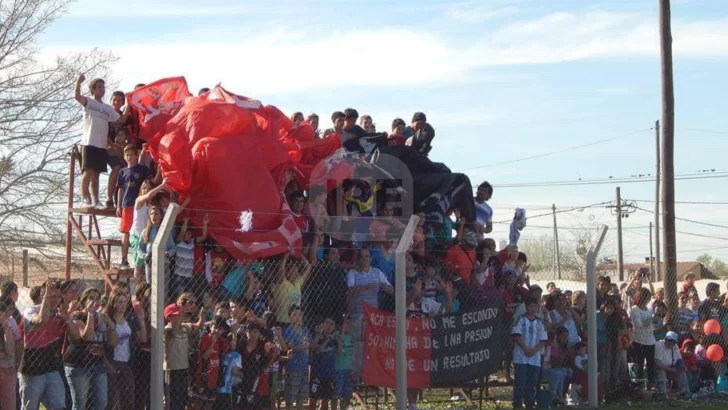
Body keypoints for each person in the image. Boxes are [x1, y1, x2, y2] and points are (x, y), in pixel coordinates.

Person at [19, 281, 81, 410]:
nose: (54, 300)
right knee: (29, 407)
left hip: (52, 367)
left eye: (57, 297)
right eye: (50, 296)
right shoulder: (30, 311)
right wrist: (47, 298)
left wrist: (66, 318)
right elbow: (41, 320)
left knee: (58, 406)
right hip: (32, 369)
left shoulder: (60, 313)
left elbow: (76, 336)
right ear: (43, 296)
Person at [74, 74, 130, 208]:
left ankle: (95, 200)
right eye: (99, 87)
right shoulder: (89, 102)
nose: (102, 89)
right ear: (93, 89)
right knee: (87, 171)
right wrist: (78, 82)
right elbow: (77, 97)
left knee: (96, 174)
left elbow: (121, 119)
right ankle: (85, 198)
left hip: (101, 145)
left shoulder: (107, 108)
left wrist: (129, 103)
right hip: (89, 142)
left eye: (103, 87)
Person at [64, 287, 117, 410]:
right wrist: (90, 314)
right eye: (91, 298)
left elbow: (113, 343)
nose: (95, 301)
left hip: (97, 365)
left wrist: (111, 326)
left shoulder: (103, 317)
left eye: (98, 299)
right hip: (78, 365)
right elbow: (87, 336)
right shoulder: (76, 316)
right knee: (80, 405)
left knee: (101, 403)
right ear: (84, 300)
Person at [116, 144, 152, 269]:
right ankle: (124, 259)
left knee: (141, 231)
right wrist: (118, 205)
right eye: (127, 155)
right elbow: (120, 189)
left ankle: (141, 257)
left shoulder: (142, 169)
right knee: (125, 232)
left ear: (136, 156)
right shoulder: (122, 172)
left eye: (131, 155)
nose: (129, 157)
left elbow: (150, 182)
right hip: (127, 205)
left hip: (141, 205)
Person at [512, 297, 549, 409]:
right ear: (526, 307)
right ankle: (517, 404)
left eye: (535, 306)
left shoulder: (540, 322)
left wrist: (534, 350)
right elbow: (516, 335)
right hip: (521, 356)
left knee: (532, 383)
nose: (533, 309)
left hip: (535, 357)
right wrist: (525, 349)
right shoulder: (520, 319)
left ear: (538, 308)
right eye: (530, 306)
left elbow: (543, 340)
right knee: (520, 382)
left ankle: (529, 404)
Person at [191, 316, 230, 410]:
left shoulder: (222, 341)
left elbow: (229, 348)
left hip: (214, 378)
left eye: (220, 329)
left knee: (209, 403)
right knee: (198, 403)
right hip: (203, 377)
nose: (217, 330)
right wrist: (213, 343)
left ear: (223, 330)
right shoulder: (206, 338)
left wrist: (233, 333)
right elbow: (204, 357)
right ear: (211, 326)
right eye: (215, 327)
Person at [279, 305, 311, 410]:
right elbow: (289, 347)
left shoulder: (305, 330)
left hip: (304, 369)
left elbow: (309, 344)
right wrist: (302, 347)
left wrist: (306, 346)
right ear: (289, 317)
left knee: (301, 398)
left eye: (300, 315)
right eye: (294, 315)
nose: (298, 317)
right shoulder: (288, 331)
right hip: (293, 368)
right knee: (290, 399)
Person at [630, 288, 657, 386]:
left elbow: (650, 324)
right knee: (639, 363)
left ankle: (651, 384)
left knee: (650, 364)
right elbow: (638, 324)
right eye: (646, 297)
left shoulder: (648, 309)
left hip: (650, 340)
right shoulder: (634, 309)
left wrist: (654, 319)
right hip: (639, 340)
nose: (648, 300)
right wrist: (651, 319)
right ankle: (638, 385)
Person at [654, 331, 690, 397]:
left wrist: (683, 366)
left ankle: (684, 392)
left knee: (682, 372)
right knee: (661, 372)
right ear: (665, 339)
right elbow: (657, 363)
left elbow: (680, 359)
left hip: (670, 368)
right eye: (669, 340)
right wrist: (670, 370)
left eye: (673, 342)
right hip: (658, 368)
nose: (671, 343)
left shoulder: (674, 346)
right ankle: (662, 393)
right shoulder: (658, 345)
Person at [334, 316, 354, 410]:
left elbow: (361, 339)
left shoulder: (350, 335)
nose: (348, 325)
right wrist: (342, 329)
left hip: (348, 369)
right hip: (339, 369)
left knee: (347, 394)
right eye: (346, 324)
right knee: (336, 393)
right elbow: (339, 350)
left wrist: (363, 327)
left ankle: (343, 408)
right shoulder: (336, 334)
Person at [106, 128, 128, 208]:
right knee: (116, 170)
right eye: (118, 135)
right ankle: (109, 198)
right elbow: (107, 152)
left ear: (125, 137)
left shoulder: (127, 146)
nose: (120, 137)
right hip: (117, 167)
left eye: (122, 135)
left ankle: (120, 202)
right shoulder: (113, 146)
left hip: (124, 168)